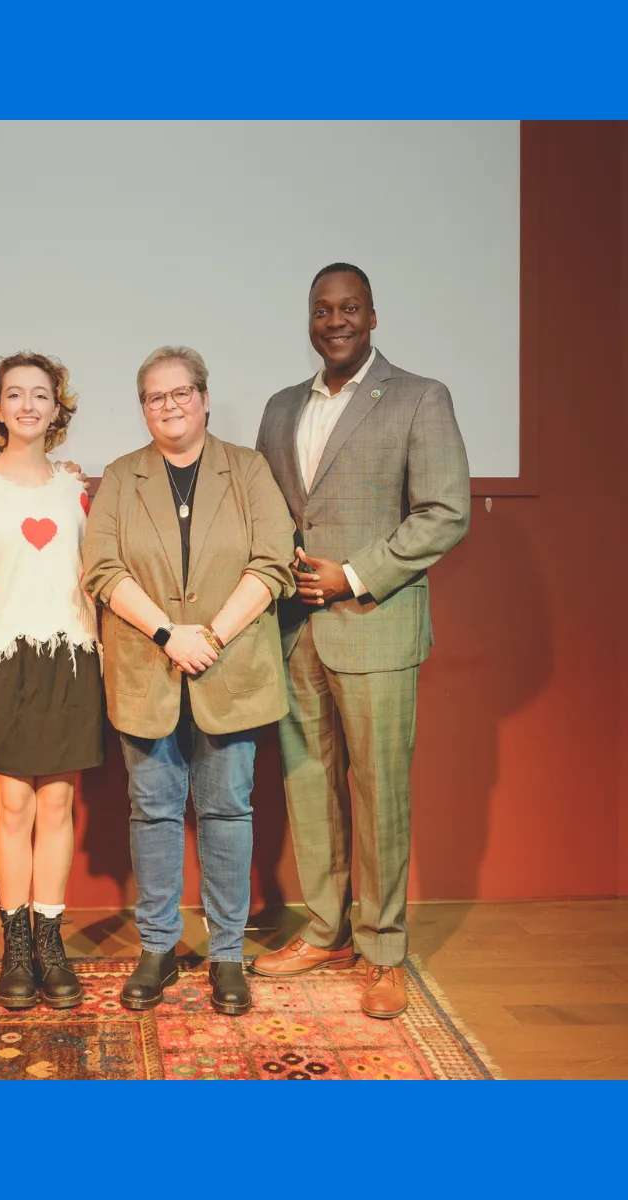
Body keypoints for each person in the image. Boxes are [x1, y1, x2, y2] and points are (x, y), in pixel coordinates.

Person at [252, 263, 470, 1018]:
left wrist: (353, 575)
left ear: (373, 316)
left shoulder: (419, 397)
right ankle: (325, 929)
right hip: (294, 630)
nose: (335, 320)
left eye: (349, 308)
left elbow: (446, 511)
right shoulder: (281, 408)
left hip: (376, 624)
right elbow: (271, 514)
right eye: (322, 309)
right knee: (308, 784)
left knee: (379, 792)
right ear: (309, 320)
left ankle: (383, 952)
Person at [82, 346, 295, 1015]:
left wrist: (213, 637)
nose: (169, 406)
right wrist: (169, 635)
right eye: (155, 397)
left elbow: (273, 562)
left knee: (228, 812)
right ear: (143, 408)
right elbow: (103, 569)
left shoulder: (249, 469)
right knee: (152, 811)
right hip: (147, 670)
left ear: (203, 398)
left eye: (181, 393)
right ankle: (158, 949)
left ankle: (227, 952)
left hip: (230, 670)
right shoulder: (122, 477)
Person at [0, 352, 103, 1010]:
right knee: (13, 808)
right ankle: (15, 947)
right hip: (1, 661)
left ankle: (49, 942)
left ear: (57, 407)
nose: (28, 404)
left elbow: (93, 581)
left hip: (72, 659)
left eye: (41, 394)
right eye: (15, 394)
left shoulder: (75, 489)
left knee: (58, 805)